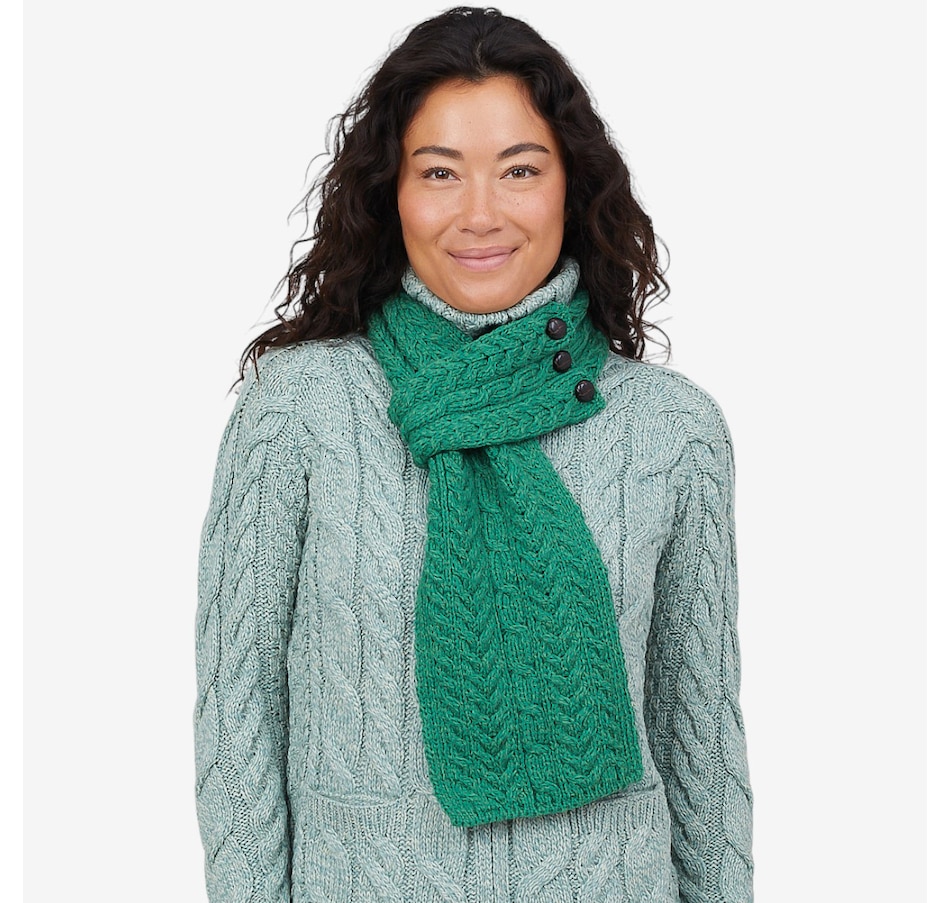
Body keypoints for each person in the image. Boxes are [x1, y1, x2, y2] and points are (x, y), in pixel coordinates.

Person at [193, 7, 753, 902]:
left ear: (570, 184)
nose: (480, 213)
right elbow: (238, 716)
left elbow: (703, 742)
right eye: (440, 172)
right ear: (393, 192)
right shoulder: (299, 410)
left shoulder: (670, 429)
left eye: (520, 169)